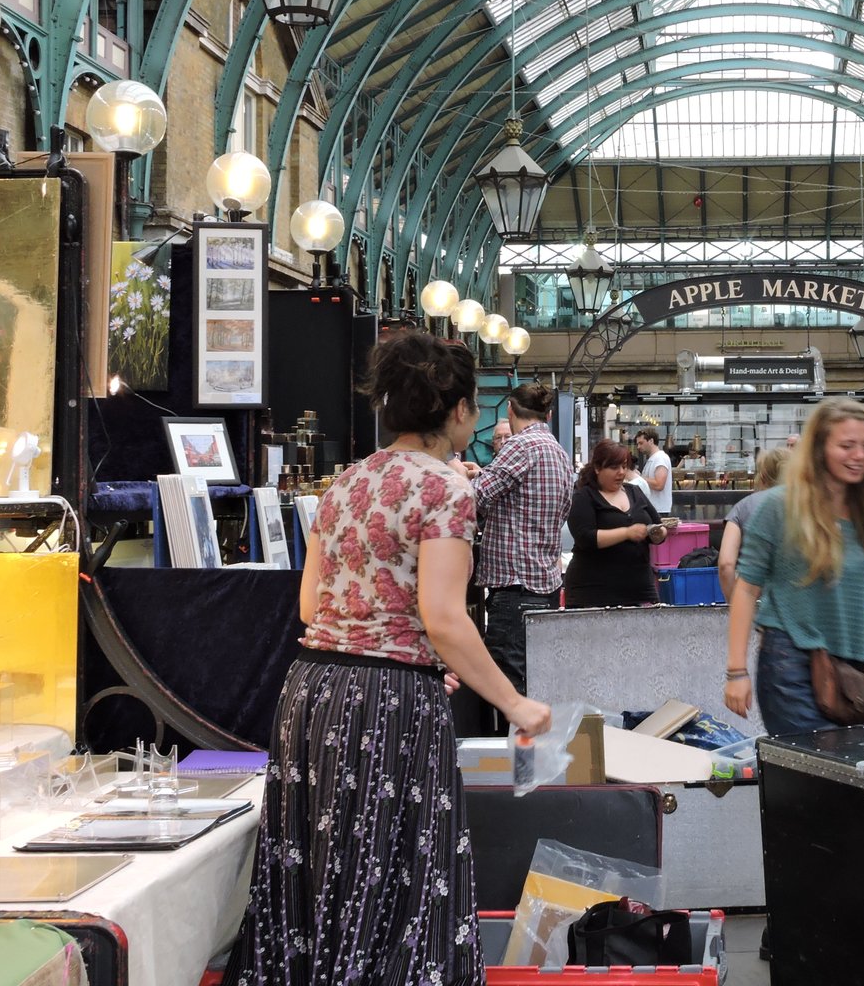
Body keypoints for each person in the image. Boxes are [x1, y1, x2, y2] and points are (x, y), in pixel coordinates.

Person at [226, 331, 552, 984]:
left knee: (319, 880)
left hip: (313, 696)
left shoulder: (346, 483)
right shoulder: (446, 491)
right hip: (389, 708)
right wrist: (515, 703)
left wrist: (408, 647)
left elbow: (313, 606)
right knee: (397, 880)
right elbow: (444, 617)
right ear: (458, 408)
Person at [724, 399, 864, 735]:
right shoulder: (779, 507)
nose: (860, 455)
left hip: (851, 670)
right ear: (819, 449)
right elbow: (746, 588)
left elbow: (862, 605)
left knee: (855, 776)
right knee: (817, 776)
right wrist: (736, 671)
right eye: (846, 445)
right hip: (790, 666)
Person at [460, 382, 572, 696]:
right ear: (548, 413)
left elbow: (472, 499)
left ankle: (521, 747)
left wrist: (456, 473)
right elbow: (518, 496)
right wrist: (479, 473)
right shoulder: (557, 451)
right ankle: (533, 745)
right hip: (544, 583)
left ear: (510, 409)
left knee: (513, 690)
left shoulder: (520, 446)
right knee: (536, 684)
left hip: (515, 587)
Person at [565, 439, 668, 608]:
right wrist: (627, 533)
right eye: (614, 468)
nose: (621, 472)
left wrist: (658, 533)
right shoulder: (584, 496)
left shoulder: (635, 492)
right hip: (592, 593)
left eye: (624, 466)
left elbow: (658, 525)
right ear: (598, 468)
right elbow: (586, 537)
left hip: (639, 590)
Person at [717, 448, 789, 600]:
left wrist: (735, 604)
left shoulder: (742, 507)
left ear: (762, 476)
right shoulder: (809, 508)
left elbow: (726, 565)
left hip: (752, 601)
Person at [635, 427, 673, 513]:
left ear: (651, 441)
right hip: (654, 509)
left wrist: (638, 478)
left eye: (641, 443)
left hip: (659, 510)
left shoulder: (660, 458)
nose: (638, 447)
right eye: (638, 444)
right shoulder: (654, 458)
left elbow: (659, 485)